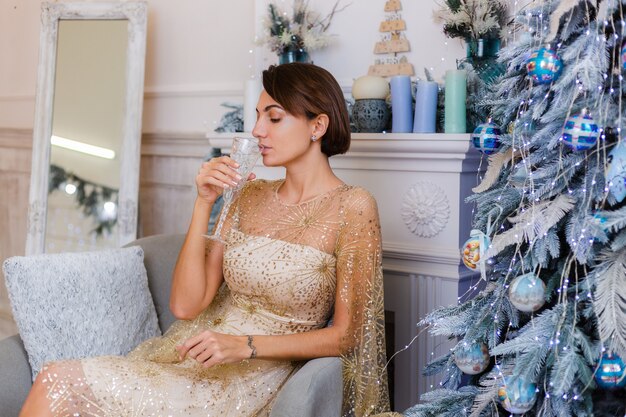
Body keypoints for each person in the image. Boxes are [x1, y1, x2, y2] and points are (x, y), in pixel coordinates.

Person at [20, 63, 391, 417]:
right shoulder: (247, 196)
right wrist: (204, 202)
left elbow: (347, 335)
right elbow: (186, 305)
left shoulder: (353, 206)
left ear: (318, 125)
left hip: (254, 377)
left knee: (59, 381)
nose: (257, 130)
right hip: (196, 361)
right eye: (258, 116)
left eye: (273, 118)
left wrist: (244, 346)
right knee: (57, 379)